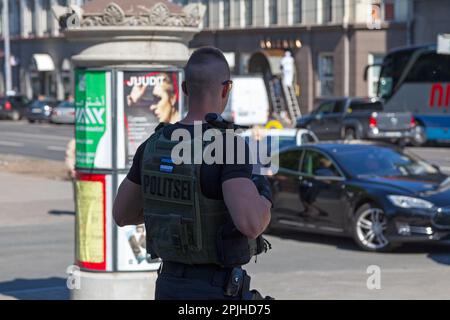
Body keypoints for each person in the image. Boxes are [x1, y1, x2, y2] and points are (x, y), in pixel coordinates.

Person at [113, 46, 273, 300]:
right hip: (214, 289)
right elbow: (251, 224)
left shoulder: (154, 145)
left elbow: (122, 214)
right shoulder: (227, 146)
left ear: (185, 89)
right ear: (226, 88)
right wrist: (265, 197)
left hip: (167, 286)